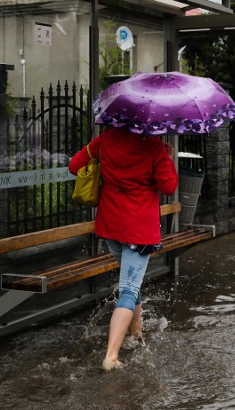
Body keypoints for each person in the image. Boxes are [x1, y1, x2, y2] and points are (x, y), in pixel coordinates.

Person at [69, 127, 178, 371]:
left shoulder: (105, 139)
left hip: (111, 225)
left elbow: (75, 165)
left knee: (132, 280)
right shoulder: (154, 147)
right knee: (128, 289)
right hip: (139, 229)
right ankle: (111, 356)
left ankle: (135, 332)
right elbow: (168, 186)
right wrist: (166, 158)